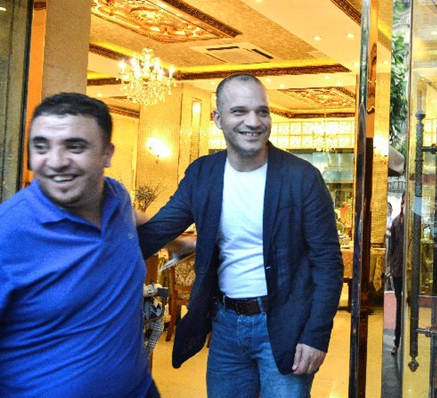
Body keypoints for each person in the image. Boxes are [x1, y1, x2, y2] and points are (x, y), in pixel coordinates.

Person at [138, 73, 344, 397]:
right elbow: (153, 235)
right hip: (225, 327)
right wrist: (113, 210)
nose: (254, 121)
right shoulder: (202, 174)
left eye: (262, 111)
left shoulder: (302, 178)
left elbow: (328, 264)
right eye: (240, 111)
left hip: (285, 324)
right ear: (218, 119)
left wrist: (316, 335)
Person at [0, 93, 158, 397]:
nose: (56, 162)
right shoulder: (9, 233)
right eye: (41, 147)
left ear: (107, 154)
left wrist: (183, 239)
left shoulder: (118, 200)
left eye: (75, 146)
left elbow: (136, 217)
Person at [387, 193, 405, 355]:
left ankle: (410, 342)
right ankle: (397, 341)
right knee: (399, 305)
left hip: (411, 270)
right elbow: (391, 249)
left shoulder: (416, 223)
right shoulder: (396, 222)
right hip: (399, 268)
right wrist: (391, 268)